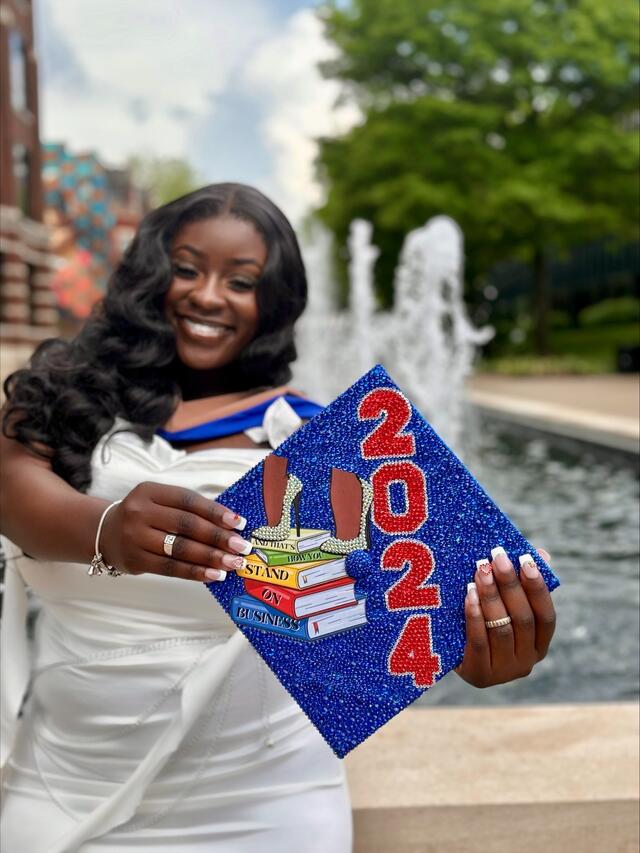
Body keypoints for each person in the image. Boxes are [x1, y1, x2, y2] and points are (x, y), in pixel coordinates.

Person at [0, 183, 556, 853]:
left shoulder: (330, 444)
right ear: (150, 271)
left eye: (241, 280)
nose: (208, 295)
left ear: (276, 302)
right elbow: (11, 484)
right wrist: (105, 528)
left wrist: (480, 645)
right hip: (65, 786)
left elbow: (403, 610)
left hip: (267, 805)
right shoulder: (71, 391)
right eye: (187, 267)